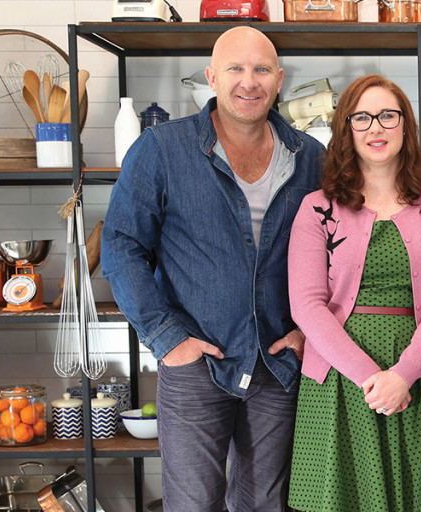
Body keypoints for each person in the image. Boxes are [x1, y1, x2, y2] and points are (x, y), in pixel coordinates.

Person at [101, 27, 324, 512]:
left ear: (279, 79)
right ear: (211, 77)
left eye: (262, 69)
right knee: (193, 505)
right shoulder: (161, 149)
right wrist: (167, 337)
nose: (249, 81)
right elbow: (120, 245)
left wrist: (313, 332)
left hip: (278, 362)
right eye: (235, 69)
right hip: (196, 361)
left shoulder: (309, 157)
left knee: (265, 504)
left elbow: (340, 253)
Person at [286, 74, 421, 512]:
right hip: (339, 381)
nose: (376, 127)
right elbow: (307, 306)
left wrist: (402, 376)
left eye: (388, 115)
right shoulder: (317, 208)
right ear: (346, 130)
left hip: (417, 376)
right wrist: (372, 378)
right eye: (362, 117)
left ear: (406, 126)